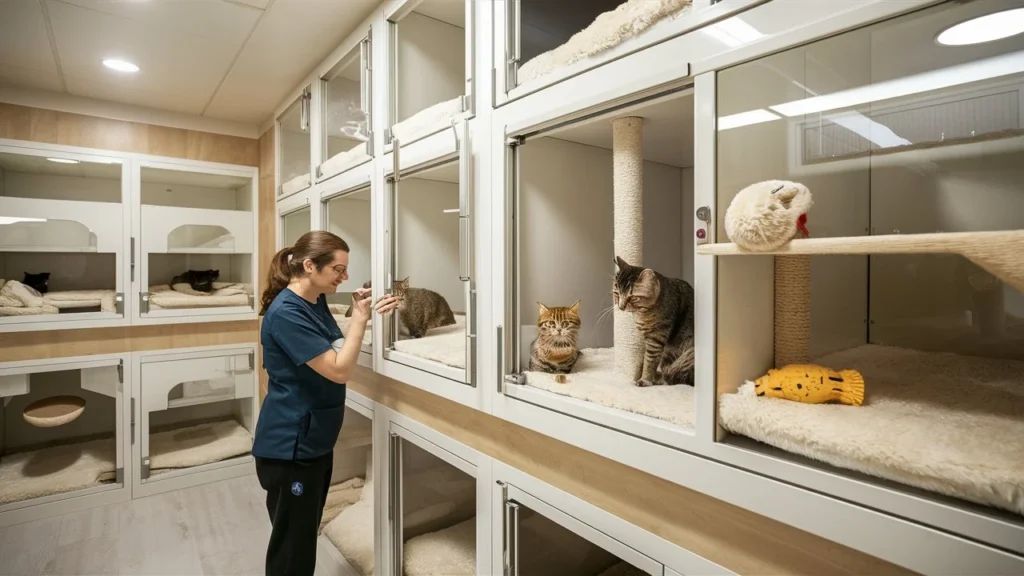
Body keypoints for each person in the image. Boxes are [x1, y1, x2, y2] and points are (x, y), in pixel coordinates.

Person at [252, 230, 397, 576]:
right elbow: (338, 369)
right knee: (293, 548)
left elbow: (333, 341)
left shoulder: (314, 301)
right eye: (338, 269)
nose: (344, 277)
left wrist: (356, 308)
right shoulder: (286, 312)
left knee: (301, 537)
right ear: (309, 266)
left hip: (313, 442)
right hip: (290, 449)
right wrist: (361, 320)